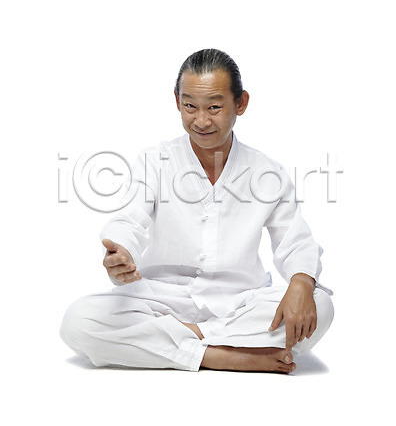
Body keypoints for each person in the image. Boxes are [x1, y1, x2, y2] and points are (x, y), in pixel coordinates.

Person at [60, 48, 334, 374]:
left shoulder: (267, 172)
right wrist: (121, 253)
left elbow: (296, 241)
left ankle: (176, 343)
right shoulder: (155, 161)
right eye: (190, 106)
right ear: (177, 101)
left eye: (214, 107)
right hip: (160, 301)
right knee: (78, 321)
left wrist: (301, 283)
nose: (201, 121)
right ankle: (221, 356)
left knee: (321, 307)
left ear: (241, 103)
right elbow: (129, 221)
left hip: (239, 303)